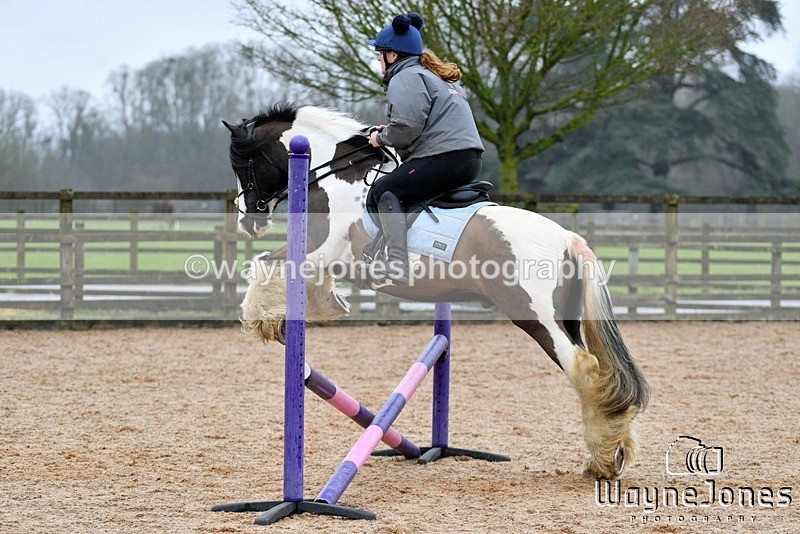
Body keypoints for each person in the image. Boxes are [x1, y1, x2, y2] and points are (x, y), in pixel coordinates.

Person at [366, 13, 485, 286]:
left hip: (442, 158)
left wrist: (380, 138)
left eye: (379, 55)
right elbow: (421, 123)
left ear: (392, 55)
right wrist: (391, 130)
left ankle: (397, 265)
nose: (377, 61)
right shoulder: (433, 76)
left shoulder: (405, 77)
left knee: (384, 191)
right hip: (468, 158)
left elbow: (407, 128)